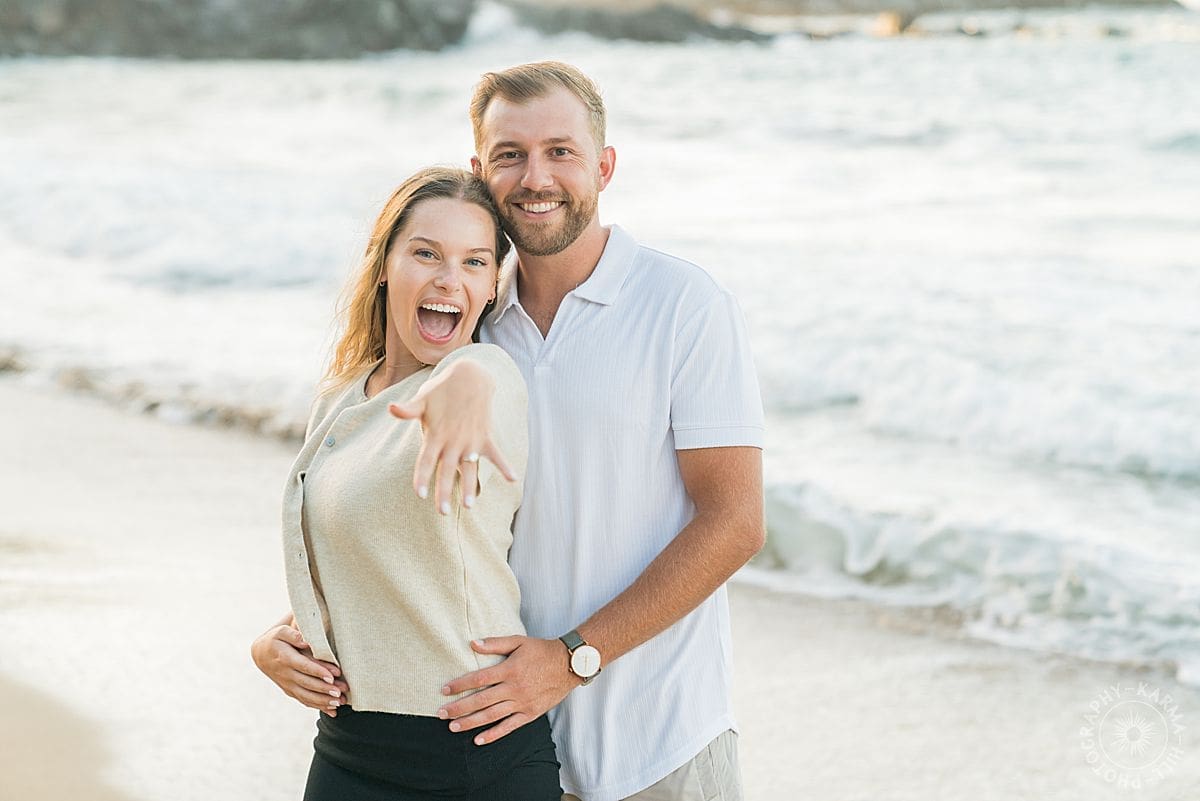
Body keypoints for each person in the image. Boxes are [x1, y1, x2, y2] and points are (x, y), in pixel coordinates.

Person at [255, 62, 765, 801]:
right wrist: (291, 632)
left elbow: (736, 521)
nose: (536, 177)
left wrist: (572, 657)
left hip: (658, 734)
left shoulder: (683, 306)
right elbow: (419, 542)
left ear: (604, 166)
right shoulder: (472, 318)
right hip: (504, 723)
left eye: (560, 151)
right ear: (480, 172)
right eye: (510, 155)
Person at [258, 165, 562, 801]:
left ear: (491, 287)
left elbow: (480, 375)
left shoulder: (487, 376)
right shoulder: (340, 400)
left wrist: (466, 375)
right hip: (348, 751)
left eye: (475, 262)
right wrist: (276, 643)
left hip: (476, 755)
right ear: (384, 265)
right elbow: (368, 569)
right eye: (426, 253)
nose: (450, 279)